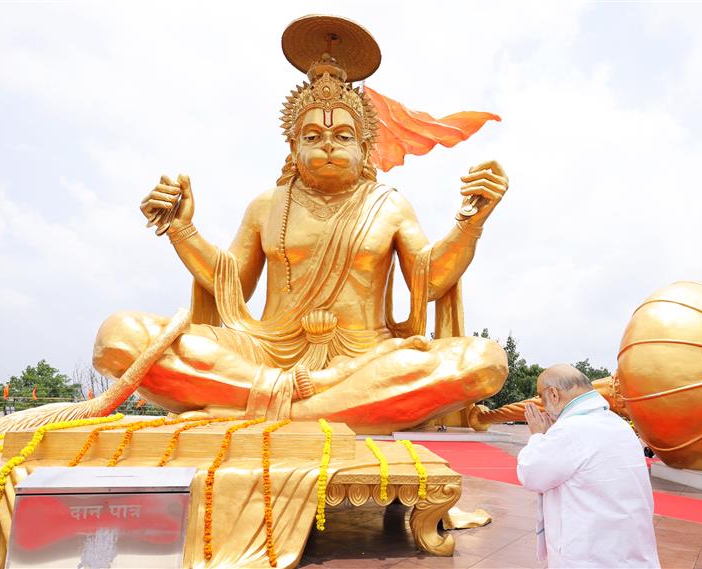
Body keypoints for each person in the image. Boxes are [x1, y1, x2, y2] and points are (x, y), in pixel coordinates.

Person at [91, 35, 510, 433]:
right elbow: (232, 283)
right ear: (293, 148)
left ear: (366, 147)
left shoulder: (389, 204)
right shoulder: (268, 205)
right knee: (119, 337)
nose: (328, 145)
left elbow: (430, 280)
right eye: (313, 136)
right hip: (265, 355)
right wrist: (182, 230)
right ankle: (326, 408)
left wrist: (471, 223)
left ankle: (272, 408)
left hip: (366, 357)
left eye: (343, 136)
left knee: (484, 361)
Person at [517, 364, 660, 568]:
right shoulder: (617, 424)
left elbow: (531, 474)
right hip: (629, 549)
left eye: (541, 397)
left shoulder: (571, 430)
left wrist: (539, 436)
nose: (541, 404)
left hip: (591, 556)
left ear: (554, 395)